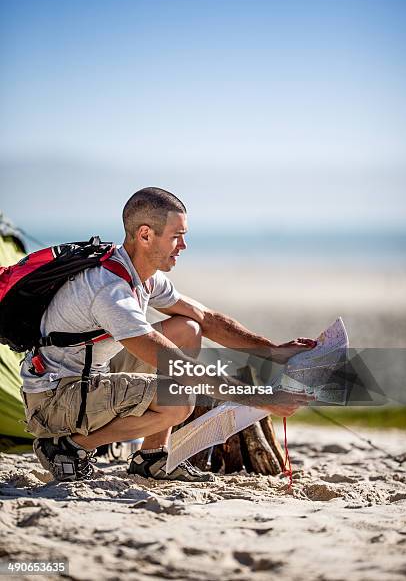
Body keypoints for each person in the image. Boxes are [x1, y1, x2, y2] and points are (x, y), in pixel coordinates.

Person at [21, 187, 315, 482]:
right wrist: (262, 398)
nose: (184, 246)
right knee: (179, 398)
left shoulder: (139, 274)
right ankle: (68, 447)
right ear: (145, 235)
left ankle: (152, 457)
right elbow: (175, 364)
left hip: (90, 375)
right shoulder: (110, 291)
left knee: (187, 328)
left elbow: (207, 318)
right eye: (177, 236)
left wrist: (272, 350)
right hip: (55, 399)